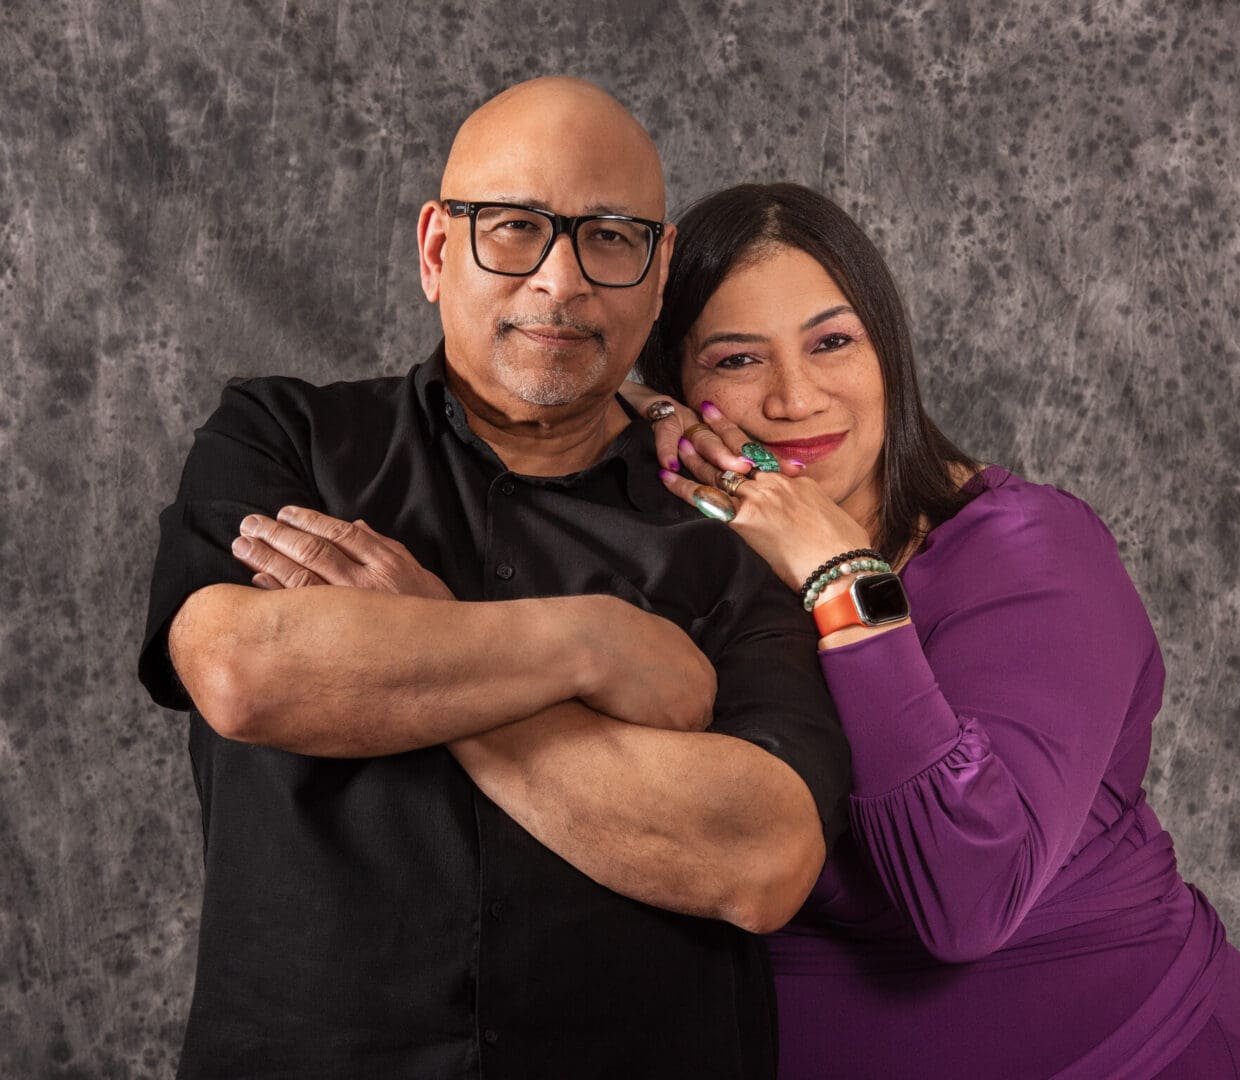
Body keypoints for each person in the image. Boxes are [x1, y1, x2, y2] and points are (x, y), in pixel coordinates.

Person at [138, 82, 850, 1079]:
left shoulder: (730, 524)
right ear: (435, 250)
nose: (560, 283)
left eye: (609, 236)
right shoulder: (285, 439)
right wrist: (595, 644)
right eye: (514, 228)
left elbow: (762, 857)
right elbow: (243, 671)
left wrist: (419, 636)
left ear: (659, 273)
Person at [620, 183, 1240, 1079]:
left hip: (1123, 1054)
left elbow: (964, 898)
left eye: (832, 342)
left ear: (888, 353)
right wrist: (642, 411)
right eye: (738, 360)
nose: (793, 397)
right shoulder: (692, 545)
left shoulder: (1031, 551)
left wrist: (842, 580)